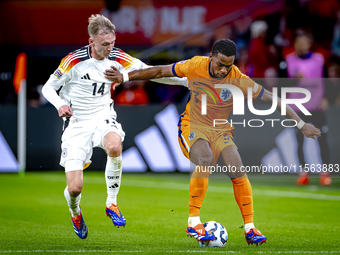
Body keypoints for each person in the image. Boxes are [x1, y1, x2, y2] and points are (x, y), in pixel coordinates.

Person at [104, 39, 321, 245]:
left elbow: (273, 99)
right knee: (205, 159)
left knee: (238, 170)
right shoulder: (195, 65)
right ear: (211, 58)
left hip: (221, 130)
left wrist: (301, 124)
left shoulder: (237, 78)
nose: (224, 70)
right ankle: (193, 222)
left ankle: (250, 228)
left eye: (229, 65)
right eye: (220, 65)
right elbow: (159, 70)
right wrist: (124, 77)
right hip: (193, 126)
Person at [42, 14, 188, 239]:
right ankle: (75, 212)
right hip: (77, 123)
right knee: (75, 188)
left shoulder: (118, 57)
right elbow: (48, 88)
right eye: (104, 44)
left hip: (103, 116)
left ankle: (111, 203)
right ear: (91, 41)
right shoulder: (73, 61)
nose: (110, 48)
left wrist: (186, 81)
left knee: (114, 146)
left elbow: (152, 72)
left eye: (112, 42)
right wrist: (60, 103)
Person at [285, 31, 331, 186]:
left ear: (309, 43)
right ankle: (303, 173)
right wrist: (294, 80)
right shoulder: (288, 61)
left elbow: (327, 80)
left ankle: (325, 173)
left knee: (322, 139)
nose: (302, 45)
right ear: (295, 44)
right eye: (299, 42)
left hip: (316, 106)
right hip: (297, 108)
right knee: (299, 141)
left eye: (305, 42)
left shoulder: (319, 59)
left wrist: (327, 98)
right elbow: (281, 84)